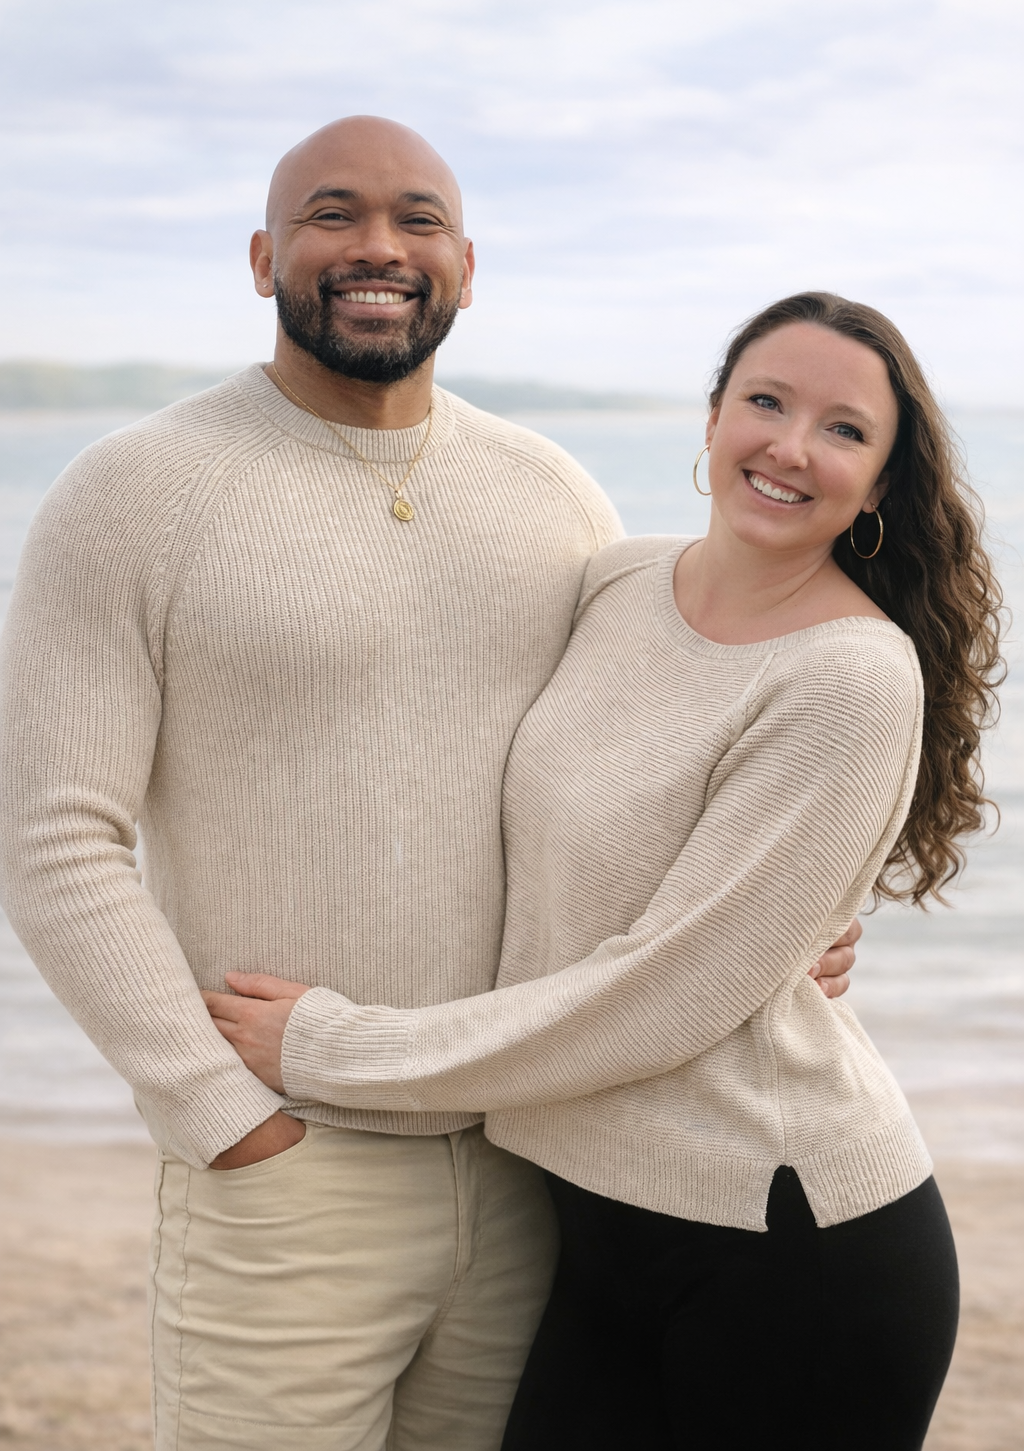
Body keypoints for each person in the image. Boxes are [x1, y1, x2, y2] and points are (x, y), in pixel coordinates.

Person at [0, 124, 859, 1451]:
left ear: (466, 264)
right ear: (262, 257)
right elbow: (56, 836)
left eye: (417, 219)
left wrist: (779, 921)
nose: (377, 248)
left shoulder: (553, 496)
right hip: (292, 1165)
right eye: (331, 215)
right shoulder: (128, 495)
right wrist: (217, 1115)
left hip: (532, 1165)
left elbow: (631, 768)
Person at [206, 292, 1004, 1450]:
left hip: (786, 1251)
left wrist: (337, 1047)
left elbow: (660, 996)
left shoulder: (849, 679)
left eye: (843, 430)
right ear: (715, 413)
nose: (788, 446)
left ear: (879, 485)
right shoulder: (618, 585)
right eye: (765, 402)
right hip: (590, 1230)